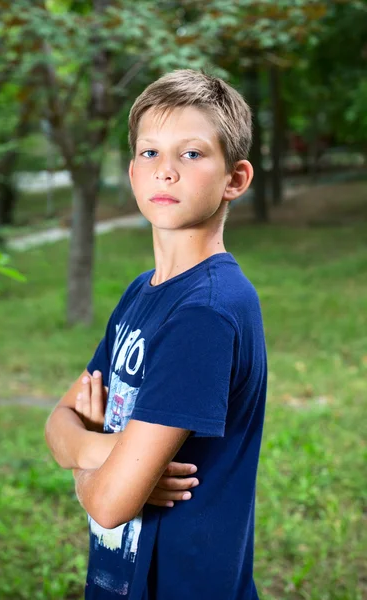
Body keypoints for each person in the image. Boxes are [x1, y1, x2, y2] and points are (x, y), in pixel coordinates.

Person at [45, 68, 267, 600]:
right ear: (132, 169)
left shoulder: (205, 313)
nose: (164, 171)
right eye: (150, 153)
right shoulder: (142, 292)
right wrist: (112, 452)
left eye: (191, 154)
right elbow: (58, 422)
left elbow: (108, 503)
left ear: (235, 179)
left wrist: (85, 461)